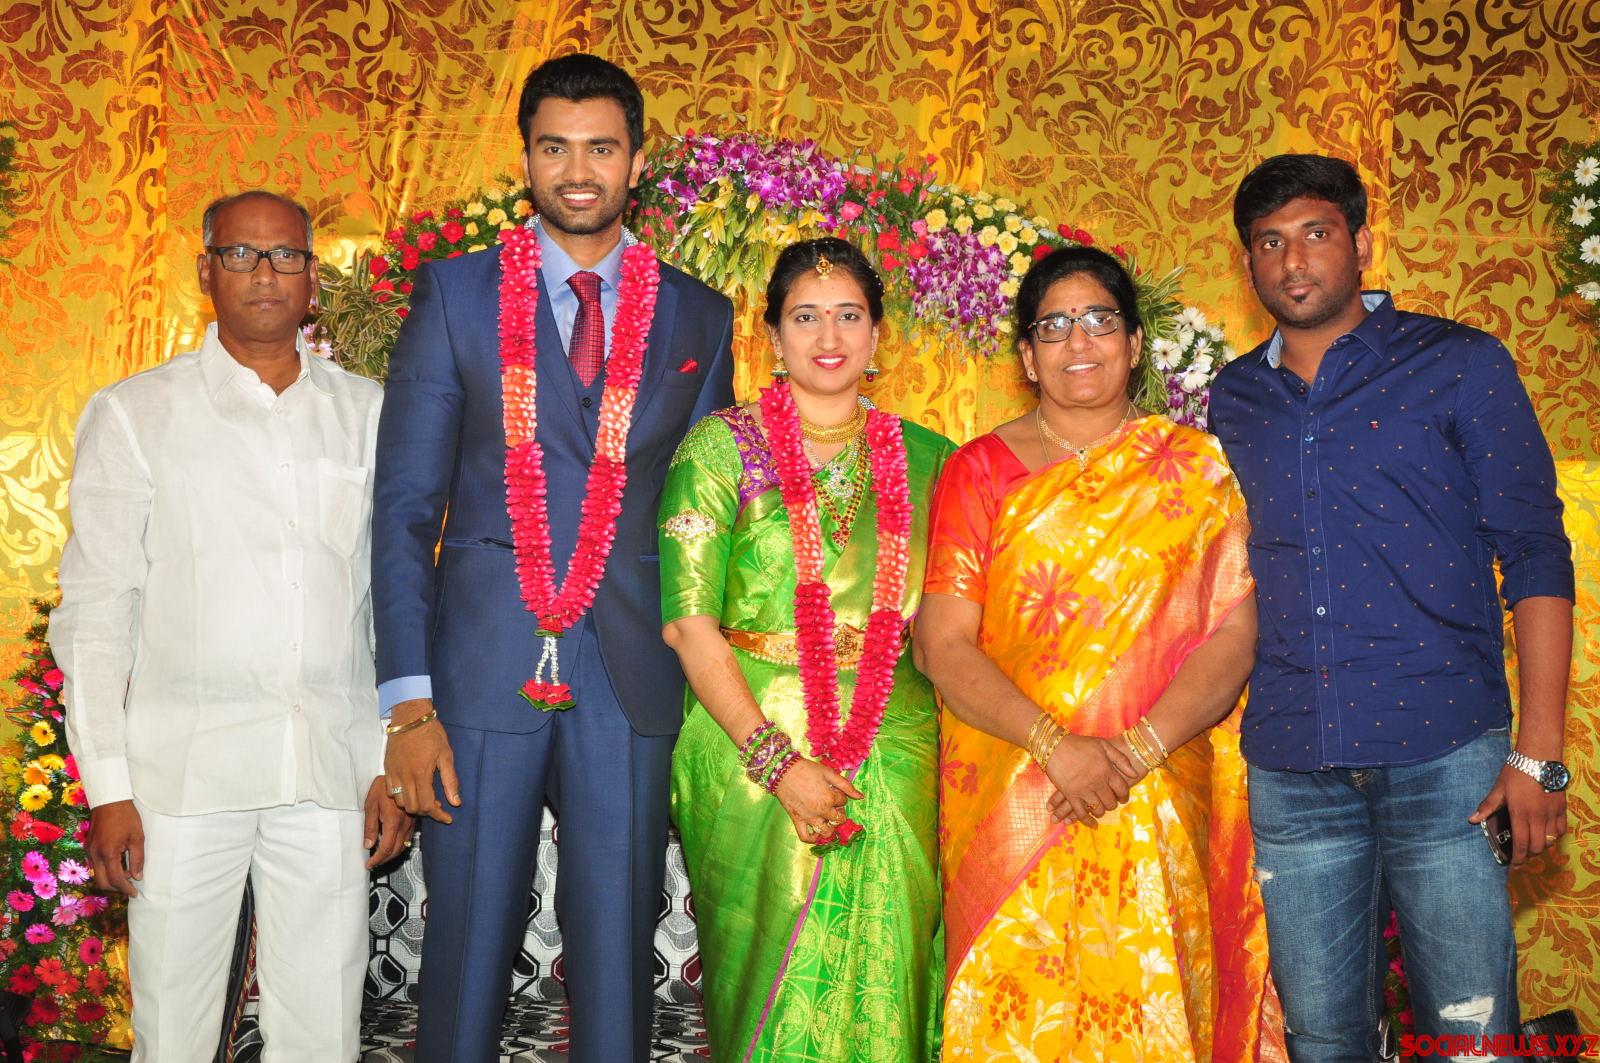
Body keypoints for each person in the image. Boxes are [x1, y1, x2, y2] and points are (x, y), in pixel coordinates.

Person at [372, 53, 736, 1061]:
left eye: (601, 148)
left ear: (637, 161)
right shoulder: (457, 294)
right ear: (527, 157)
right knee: (464, 952)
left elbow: (705, 515)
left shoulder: (698, 314)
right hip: (480, 667)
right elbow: (403, 509)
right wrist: (408, 703)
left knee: (617, 956)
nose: (578, 171)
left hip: (631, 671)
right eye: (555, 148)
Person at [1210, 154, 1575, 1062]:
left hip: (1446, 756)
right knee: (1323, 1039)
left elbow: (1536, 551)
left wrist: (1539, 753)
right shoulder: (1233, 399)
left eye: (1316, 233)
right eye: (1270, 243)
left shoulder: (1459, 364)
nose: (1294, 260)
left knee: (1471, 1036)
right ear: (1248, 265)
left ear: (1363, 242)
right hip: (1293, 764)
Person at [51, 190, 410, 1062]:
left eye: (286, 255)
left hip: (326, 766)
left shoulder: (369, 414)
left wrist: (385, 758)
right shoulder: (136, 413)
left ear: (313, 276)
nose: (265, 273)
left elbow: (393, 600)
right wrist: (108, 786)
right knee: (173, 1027)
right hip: (179, 777)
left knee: (322, 1028)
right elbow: (96, 610)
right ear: (205, 270)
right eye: (241, 254)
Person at [916, 245, 1282, 1062]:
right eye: (1053, 326)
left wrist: (1134, 752)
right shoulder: (979, 472)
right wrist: (1058, 748)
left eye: (1098, 320)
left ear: (1135, 342)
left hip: (1155, 788)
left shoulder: (1196, 470)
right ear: (1026, 356)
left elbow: (1234, 631)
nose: (1078, 341)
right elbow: (942, 644)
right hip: (1016, 794)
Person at [659, 237, 952, 1061]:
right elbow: (687, 625)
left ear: (878, 333)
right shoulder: (716, 449)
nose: (829, 336)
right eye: (806, 316)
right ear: (773, 336)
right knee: (767, 980)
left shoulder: (933, 460)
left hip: (895, 742)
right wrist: (776, 762)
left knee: (891, 967)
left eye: (850, 315)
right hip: (746, 742)